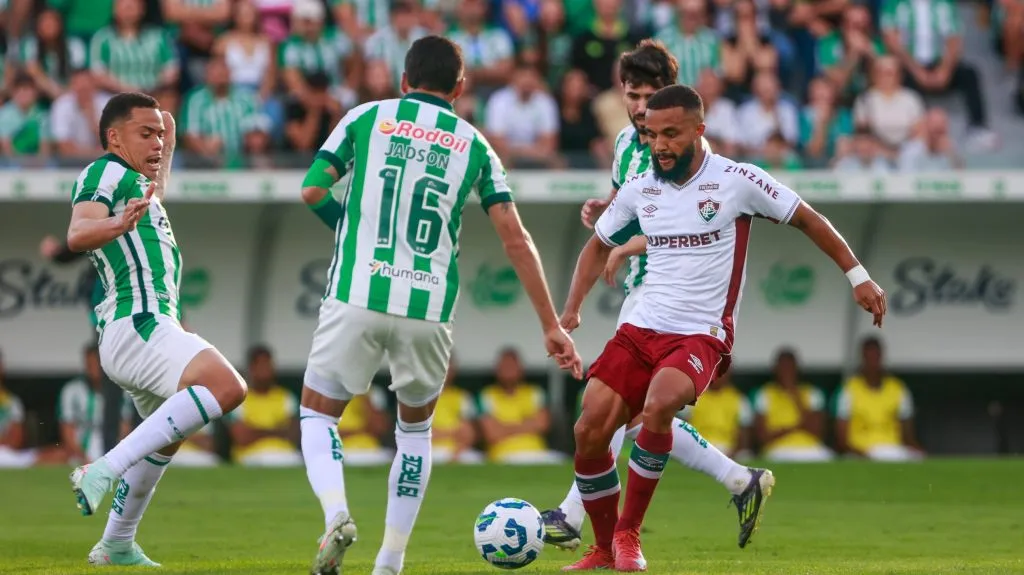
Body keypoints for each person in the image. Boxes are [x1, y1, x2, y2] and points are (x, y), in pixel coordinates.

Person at [559, 84, 887, 571]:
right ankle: (604, 548)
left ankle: (629, 535)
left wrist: (857, 275)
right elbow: (596, 245)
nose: (660, 145)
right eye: (652, 135)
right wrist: (570, 313)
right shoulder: (639, 188)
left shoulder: (737, 179)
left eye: (672, 134)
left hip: (700, 331)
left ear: (699, 130)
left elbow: (809, 219)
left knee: (660, 403)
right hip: (642, 326)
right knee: (589, 429)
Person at [295, 35, 582, 575]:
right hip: (428, 309)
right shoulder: (474, 144)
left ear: (404, 80)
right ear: (459, 87)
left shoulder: (364, 118)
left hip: (357, 292)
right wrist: (550, 325)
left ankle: (337, 514)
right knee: (415, 431)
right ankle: (391, 559)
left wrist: (350, 233)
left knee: (317, 414)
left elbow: (311, 190)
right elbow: (516, 239)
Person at [542, 39, 772, 553]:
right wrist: (607, 209)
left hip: (668, 287)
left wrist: (626, 245)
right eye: (632, 93)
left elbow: (684, 221)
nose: (640, 104)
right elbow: (641, 202)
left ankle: (577, 516)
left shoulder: (687, 143)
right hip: (642, 289)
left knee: (628, 411)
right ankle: (738, 479)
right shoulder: (627, 142)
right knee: (634, 411)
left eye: (649, 94)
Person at [64, 92, 248, 566]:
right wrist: (117, 225)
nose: (156, 142)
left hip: (146, 325)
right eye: (145, 134)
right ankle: (103, 467)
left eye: (160, 135)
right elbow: (78, 233)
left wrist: (163, 141)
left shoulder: (138, 185)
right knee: (226, 386)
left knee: (167, 434)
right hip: (136, 321)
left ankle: (117, 544)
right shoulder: (105, 172)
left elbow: (156, 188)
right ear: (113, 137)